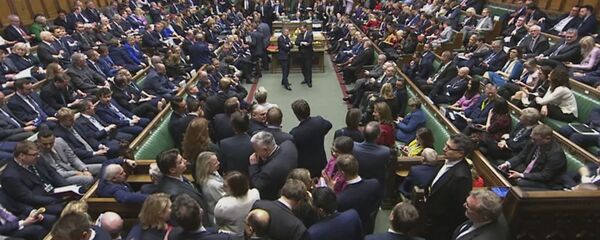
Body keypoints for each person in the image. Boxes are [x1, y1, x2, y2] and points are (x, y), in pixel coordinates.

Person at [425, 134, 475, 240]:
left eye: (448, 148)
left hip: (441, 227)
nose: (444, 149)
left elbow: (458, 209)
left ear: (461, 153)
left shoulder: (462, 177)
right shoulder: (449, 161)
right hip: (430, 218)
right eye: (445, 145)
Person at [498, 124, 567, 190]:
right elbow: (521, 156)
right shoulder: (533, 141)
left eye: (535, 139)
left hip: (546, 182)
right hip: (530, 169)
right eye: (532, 138)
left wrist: (521, 175)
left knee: (520, 183)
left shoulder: (556, 154)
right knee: (503, 169)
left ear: (547, 139)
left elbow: (545, 175)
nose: (532, 141)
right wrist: (507, 164)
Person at [329, 154, 382, 234]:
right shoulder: (374, 183)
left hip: (351, 230)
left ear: (342, 173)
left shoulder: (341, 199)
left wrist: (332, 191)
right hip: (368, 225)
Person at [37, 126, 101, 188]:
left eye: (51, 143)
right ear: (38, 142)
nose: (48, 146)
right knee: (88, 179)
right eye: (45, 144)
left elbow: (73, 158)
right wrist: (76, 173)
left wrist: (84, 169)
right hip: (63, 177)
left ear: (54, 139)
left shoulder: (59, 141)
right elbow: (55, 174)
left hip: (73, 168)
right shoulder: (37, 155)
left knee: (104, 167)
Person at [155, 149, 208, 219]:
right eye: (180, 162)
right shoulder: (174, 194)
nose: (185, 161)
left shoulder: (176, 175)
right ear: (172, 170)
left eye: (182, 159)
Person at [249, 131, 298, 200]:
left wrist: (254, 166)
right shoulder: (289, 144)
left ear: (265, 150)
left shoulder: (269, 171)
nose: (255, 153)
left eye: (256, 150)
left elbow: (257, 185)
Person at [290, 99, 332, 177]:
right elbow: (329, 125)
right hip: (321, 162)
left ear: (296, 115)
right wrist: (320, 134)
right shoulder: (319, 121)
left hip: (305, 168)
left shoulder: (295, 133)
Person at [215, 171, 260, 236]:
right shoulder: (255, 193)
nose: (223, 188)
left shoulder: (223, 205)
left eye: (226, 186)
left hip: (231, 235)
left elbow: (218, 222)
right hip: (250, 233)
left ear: (235, 188)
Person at [352, 121, 392, 186]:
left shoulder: (353, 146)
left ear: (363, 133)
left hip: (357, 182)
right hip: (376, 185)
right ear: (378, 136)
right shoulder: (385, 151)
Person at [194, 151, 226, 227]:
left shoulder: (213, 172)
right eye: (215, 163)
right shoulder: (211, 185)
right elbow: (224, 200)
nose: (218, 163)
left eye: (217, 160)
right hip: (220, 216)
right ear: (207, 166)